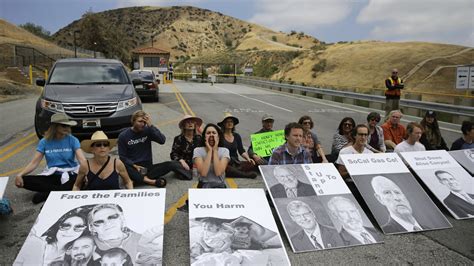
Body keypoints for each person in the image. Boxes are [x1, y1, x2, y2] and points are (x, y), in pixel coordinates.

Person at [15, 113, 86, 204]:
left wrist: (86, 173)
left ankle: (48, 193)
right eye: (63, 125)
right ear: (55, 126)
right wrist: (20, 175)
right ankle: (61, 191)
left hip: (70, 173)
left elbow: (82, 160)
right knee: (24, 181)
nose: (67, 128)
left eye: (68, 125)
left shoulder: (73, 140)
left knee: (82, 179)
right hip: (52, 174)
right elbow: (34, 163)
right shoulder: (44, 142)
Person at [118, 110, 188, 188]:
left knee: (170, 164)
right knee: (122, 166)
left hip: (147, 168)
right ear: (133, 121)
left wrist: (151, 126)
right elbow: (122, 157)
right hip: (133, 167)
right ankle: (152, 181)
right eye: (140, 121)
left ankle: (137, 180)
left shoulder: (148, 130)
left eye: (144, 122)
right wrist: (134, 166)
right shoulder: (123, 136)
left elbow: (162, 140)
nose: (143, 124)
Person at [15, 206, 90, 265]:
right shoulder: (37, 243)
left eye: (79, 227)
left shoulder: (75, 254)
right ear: (57, 226)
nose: (69, 231)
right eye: (65, 225)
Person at [218, 113, 257, 179]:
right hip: (225, 163)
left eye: (231, 122)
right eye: (227, 122)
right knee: (226, 168)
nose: (229, 123)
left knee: (251, 164)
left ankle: (236, 172)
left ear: (233, 124)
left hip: (236, 163)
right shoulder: (219, 136)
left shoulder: (236, 136)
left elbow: (241, 151)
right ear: (223, 124)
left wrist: (248, 159)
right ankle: (245, 175)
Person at [193, 123, 230, 188]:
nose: (211, 135)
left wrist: (215, 150)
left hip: (219, 185)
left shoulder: (225, 151)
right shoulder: (197, 150)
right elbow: (203, 173)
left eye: (214, 133)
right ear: (204, 136)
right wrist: (210, 151)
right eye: (208, 133)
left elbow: (218, 172)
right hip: (203, 185)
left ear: (218, 136)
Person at [170, 115, 203, 180]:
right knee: (173, 165)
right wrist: (182, 161)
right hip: (183, 165)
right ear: (184, 126)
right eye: (188, 122)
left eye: (192, 122)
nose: (190, 123)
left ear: (195, 125)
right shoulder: (178, 138)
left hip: (196, 165)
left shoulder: (199, 138)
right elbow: (173, 154)